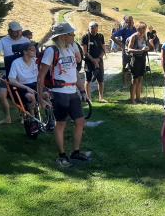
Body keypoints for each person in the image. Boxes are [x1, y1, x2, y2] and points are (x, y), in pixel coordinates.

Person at [38, 23, 89, 168]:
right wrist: (40, 97)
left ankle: (75, 152)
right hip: (59, 93)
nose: (74, 36)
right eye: (71, 34)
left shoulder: (70, 49)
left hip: (72, 92)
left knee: (80, 121)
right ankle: (62, 156)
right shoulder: (51, 51)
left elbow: (75, 73)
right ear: (63, 36)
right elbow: (41, 76)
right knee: (61, 124)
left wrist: (83, 91)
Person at [0, 21, 30, 124]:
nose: (19, 33)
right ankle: (7, 118)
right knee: (1, 95)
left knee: (22, 95)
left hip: (22, 73)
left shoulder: (26, 41)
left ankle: (24, 116)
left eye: (19, 31)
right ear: (9, 31)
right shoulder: (4, 40)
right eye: (16, 31)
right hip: (8, 73)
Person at [8, 41, 39, 115]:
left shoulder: (36, 61)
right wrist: (26, 88)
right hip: (23, 86)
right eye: (32, 50)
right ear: (25, 52)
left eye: (35, 49)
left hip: (36, 85)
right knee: (31, 97)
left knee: (47, 94)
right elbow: (11, 80)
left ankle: (52, 118)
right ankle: (33, 118)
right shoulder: (16, 63)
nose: (35, 51)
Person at [82, 21, 107, 103]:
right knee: (88, 80)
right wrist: (93, 60)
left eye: (95, 30)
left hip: (99, 60)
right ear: (88, 28)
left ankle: (101, 98)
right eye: (92, 29)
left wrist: (98, 59)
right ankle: (89, 98)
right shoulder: (85, 37)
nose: (94, 31)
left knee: (101, 80)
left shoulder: (100, 36)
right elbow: (85, 52)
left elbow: (103, 50)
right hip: (89, 61)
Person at [127, 22, 149, 104]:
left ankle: (138, 98)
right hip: (135, 60)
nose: (144, 31)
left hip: (142, 59)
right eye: (142, 29)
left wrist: (146, 49)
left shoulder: (144, 37)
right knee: (134, 80)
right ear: (138, 29)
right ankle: (132, 99)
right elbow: (129, 49)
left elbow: (146, 46)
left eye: (144, 29)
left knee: (140, 79)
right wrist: (141, 50)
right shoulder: (134, 37)